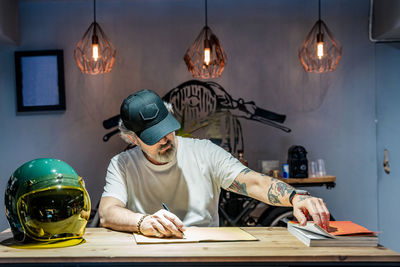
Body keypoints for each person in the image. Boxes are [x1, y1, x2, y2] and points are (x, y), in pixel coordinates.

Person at [99, 89, 330, 238]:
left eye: (167, 129)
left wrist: (295, 197)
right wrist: (143, 222)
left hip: (204, 254)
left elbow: (252, 182)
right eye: (153, 136)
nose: (164, 139)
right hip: (148, 255)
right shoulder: (122, 164)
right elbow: (108, 213)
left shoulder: (204, 151)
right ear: (131, 138)